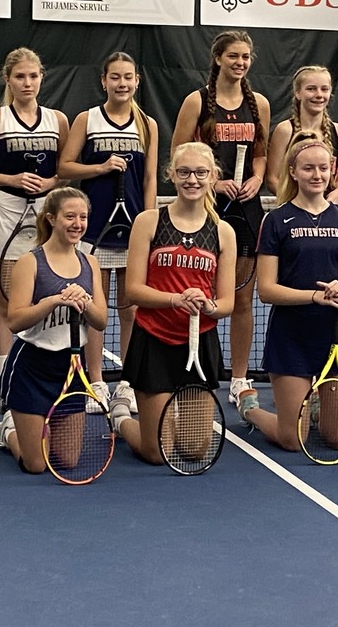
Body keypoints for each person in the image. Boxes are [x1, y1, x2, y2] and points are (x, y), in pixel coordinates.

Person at [108, 142, 236, 464]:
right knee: (156, 453)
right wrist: (175, 300)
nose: (192, 179)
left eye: (200, 173)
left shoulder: (223, 232)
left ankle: (165, 423)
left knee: (193, 451)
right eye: (184, 172)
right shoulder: (149, 221)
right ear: (172, 176)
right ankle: (122, 418)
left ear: (212, 177)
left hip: (198, 343)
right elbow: (133, 291)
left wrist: (208, 306)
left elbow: (227, 302)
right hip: (154, 340)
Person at [242, 134, 338, 450]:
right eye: (308, 168)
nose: (316, 175)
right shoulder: (276, 220)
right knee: (292, 440)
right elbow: (266, 290)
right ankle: (251, 409)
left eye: (323, 168)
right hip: (291, 337)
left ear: (333, 170)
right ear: (293, 172)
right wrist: (313, 296)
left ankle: (313, 407)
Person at [170, 30, 270, 406]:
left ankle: (239, 379)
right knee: (195, 293)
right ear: (218, 59)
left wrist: (256, 178)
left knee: (242, 299)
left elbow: (260, 153)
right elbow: (179, 152)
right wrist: (214, 180)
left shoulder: (257, 102)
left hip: (245, 209)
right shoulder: (196, 102)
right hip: (204, 208)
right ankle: (186, 369)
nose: (240, 63)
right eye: (233, 56)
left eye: (245, 56)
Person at [58, 51, 157, 415]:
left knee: (130, 310)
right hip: (94, 230)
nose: (122, 84)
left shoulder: (147, 124)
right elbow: (65, 166)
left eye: (128, 77)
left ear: (136, 82)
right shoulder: (87, 119)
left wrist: (148, 224)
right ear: (104, 81)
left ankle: (128, 383)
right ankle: (96, 381)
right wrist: (100, 167)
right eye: (115, 77)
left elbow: (149, 178)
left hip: (133, 230)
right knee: (95, 310)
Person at [0, 188, 107, 474]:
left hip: (70, 369)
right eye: (69, 216)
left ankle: (33, 426)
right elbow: (15, 321)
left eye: (83, 217)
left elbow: (101, 321)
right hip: (33, 367)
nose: (77, 224)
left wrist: (84, 302)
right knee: (36, 465)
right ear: (52, 219)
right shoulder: (30, 262)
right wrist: (53, 301)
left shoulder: (90, 263)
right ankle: (8, 431)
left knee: (66, 461)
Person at [0, 48, 67, 388]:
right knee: (5, 301)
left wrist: (51, 183)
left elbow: (64, 169)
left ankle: (41, 372)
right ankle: (5, 380)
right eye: (20, 76)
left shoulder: (57, 119)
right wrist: (11, 180)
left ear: (41, 78)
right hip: (6, 213)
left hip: (48, 216)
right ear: (7, 80)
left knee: (45, 297)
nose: (27, 83)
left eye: (33, 76)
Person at [266, 65, 338, 205]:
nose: (319, 95)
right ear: (298, 93)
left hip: (327, 211)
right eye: (311, 89)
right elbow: (272, 179)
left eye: (324, 89)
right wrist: (296, 203)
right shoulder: (285, 130)